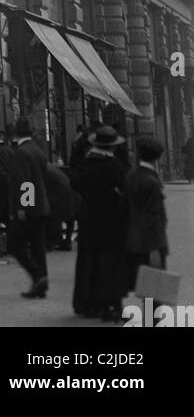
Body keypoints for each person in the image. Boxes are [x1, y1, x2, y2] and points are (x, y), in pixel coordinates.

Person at [71, 124, 128, 321]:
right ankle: (110, 306)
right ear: (112, 147)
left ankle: (87, 304)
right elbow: (125, 191)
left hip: (87, 220)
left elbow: (75, 183)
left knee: (88, 262)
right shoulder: (114, 166)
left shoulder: (85, 164)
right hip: (110, 222)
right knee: (109, 264)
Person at [7, 117, 50, 299]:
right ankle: (41, 284)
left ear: (16, 134)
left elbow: (25, 181)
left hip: (29, 208)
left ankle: (37, 276)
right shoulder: (38, 151)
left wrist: (23, 206)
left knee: (15, 244)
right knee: (38, 246)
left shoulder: (21, 153)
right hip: (41, 206)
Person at [124, 137, 168, 294]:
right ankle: (152, 318)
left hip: (134, 239)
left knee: (144, 287)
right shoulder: (152, 182)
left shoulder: (131, 176)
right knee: (154, 289)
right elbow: (154, 217)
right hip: (151, 242)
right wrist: (155, 248)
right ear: (158, 157)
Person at [45, 159, 77, 252]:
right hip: (69, 191)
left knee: (53, 216)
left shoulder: (42, 168)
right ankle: (66, 242)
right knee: (69, 218)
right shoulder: (49, 167)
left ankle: (50, 243)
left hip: (60, 194)